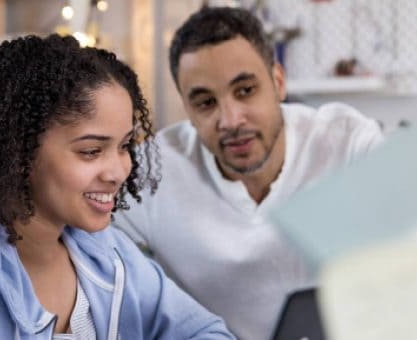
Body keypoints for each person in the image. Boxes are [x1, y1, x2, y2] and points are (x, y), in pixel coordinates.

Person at [115, 6, 384, 340]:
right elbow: (77, 253)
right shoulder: (152, 170)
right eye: (205, 103)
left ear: (278, 82)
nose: (230, 120)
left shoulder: (348, 144)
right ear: (188, 109)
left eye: (245, 91)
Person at [0, 34, 236, 340]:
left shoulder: (108, 253)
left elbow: (207, 332)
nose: (119, 172)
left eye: (124, 146)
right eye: (91, 151)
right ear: (18, 152)